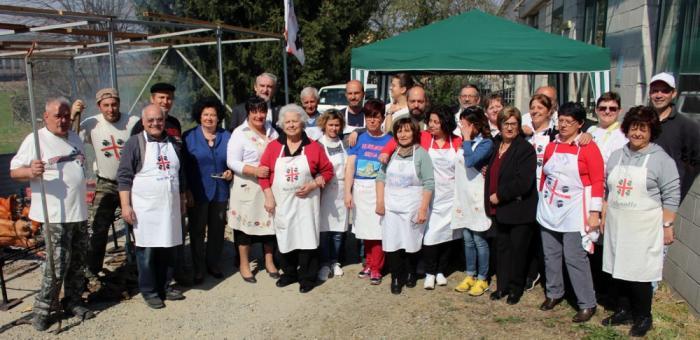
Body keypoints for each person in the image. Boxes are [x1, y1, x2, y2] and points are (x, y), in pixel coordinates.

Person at [10, 98, 94, 330]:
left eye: (66, 115)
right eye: (58, 115)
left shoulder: (74, 137)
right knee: (56, 265)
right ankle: (43, 309)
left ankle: (73, 301)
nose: (63, 120)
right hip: (54, 214)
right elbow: (14, 170)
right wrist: (30, 170)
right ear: (46, 117)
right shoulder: (35, 139)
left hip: (78, 212)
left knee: (77, 261)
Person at [601, 106, 680, 337]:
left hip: (643, 227)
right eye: (634, 128)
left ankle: (644, 316)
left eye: (643, 129)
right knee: (619, 269)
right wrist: (605, 212)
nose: (637, 133)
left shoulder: (661, 159)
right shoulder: (617, 155)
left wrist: (667, 225)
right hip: (618, 223)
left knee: (640, 274)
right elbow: (608, 188)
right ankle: (623, 310)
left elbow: (672, 193)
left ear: (651, 131)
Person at [537, 102, 604, 323]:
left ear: (580, 124)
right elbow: (546, 176)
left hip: (575, 211)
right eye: (561, 121)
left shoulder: (588, 147)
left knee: (575, 258)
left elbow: (597, 181)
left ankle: (587, 302)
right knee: (551, 255)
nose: (563, 125)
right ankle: (554, 292)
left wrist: (595, 212)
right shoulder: (551, 146)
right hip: (549, 209)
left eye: (569, 122)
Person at [118, 104, 186, 309]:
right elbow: (123, 177)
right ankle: (149, 291)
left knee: (168, 248)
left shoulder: (174, 143)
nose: (155, 123)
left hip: (170, 207)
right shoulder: (134, 144)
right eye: (151, 120)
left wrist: (182, 199)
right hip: (145, 210)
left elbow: (181, 175)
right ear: (143, 121)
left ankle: (165, 285)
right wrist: (125, 205)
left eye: (159, 119)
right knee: (147, 252)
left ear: (164, 120)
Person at [260, 104, 334, 293]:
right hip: (282, 202)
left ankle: (308, 277)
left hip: (306, 203)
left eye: (295, 121)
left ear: (302, 123)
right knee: (285, 237)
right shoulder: (273, 147)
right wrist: (268, 195)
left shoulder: (314, 147)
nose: (291, 125)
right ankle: (290, 273)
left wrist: (314, 184)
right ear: (281, 124)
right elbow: (263, 173)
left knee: (307, 238)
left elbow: (327, 170)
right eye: (287, 122)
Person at [79, 88, 139, 283]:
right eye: (106, 105)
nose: (111, 109)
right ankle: (91, 269)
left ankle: (141, 265)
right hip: (106, 183)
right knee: (97, 227)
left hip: (132, 183)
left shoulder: (133, 122)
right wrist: (74, 114)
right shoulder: (91, 124)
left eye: (114, 104)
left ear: (119, 104)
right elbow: (71, 138)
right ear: (99, 106)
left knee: (139, 225)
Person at [485, 107, 538, 306]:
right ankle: (502, 286)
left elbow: (524, 182)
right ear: (499, 125)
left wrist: (500, 194)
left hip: (518, 210)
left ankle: (515, 288)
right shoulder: (496, 145)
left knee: (518, 252)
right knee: (502, 250)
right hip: (499, 211)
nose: (509, 127)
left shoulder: (524, 149)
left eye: (513, 124)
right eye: (506, 123)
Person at [376, 117, 434, 294]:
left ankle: (410, 273)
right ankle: (395, 277)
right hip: (391, 207)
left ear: (414, 133)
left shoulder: (422, 154)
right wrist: (380, 202)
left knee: (411, 243)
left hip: (412, 207)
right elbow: (380, 178)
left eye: (407, 130)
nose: (403, 134)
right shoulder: (391, 153)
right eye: (400, 131)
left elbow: (429, 183)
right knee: (392, 244)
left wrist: (423, 208)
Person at [227, 96, 280, 283]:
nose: (259, 115)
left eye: (262, 111)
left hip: (269, 186)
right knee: (244, 227)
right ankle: (244, 263)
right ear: (248, 113)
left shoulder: (272, 131)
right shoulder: (239, 133)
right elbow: (232, 161)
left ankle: (269, 261)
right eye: (254, 111)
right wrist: (255, 170)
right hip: (247, 186)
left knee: (270, 225)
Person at [182, 98, 232, 284]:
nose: (209, 118)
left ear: (218, 117)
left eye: (213, 114)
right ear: (199, 116)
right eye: (205, 114)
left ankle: (213, 263)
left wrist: (230, 172)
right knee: (197, 230)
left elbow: (234, 160)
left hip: (220, 191)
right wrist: (187, 191)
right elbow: (183, 167)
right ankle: (198, 267)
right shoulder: (188, 137)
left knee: (218, 229)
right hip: (198, 191)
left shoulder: (227, 136)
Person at [344, 99, 392, 285]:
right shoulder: (358, 139)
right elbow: (350, 167)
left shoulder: (389, 140)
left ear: (381, 118)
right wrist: (347, 192)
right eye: (369, 117)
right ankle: (369, 263)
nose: (372, 120)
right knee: (365, 230)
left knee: (378, 231)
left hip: (379, 191)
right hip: (360, 191)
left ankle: (377, 268)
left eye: (376, 117)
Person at [452, 107, 494, 296]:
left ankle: (483, 278)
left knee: (479, 239)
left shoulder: (485, 144)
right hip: (463, 196)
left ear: (476, 125)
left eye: (466, 125)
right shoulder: (463, 143)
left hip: (477, 196)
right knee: (467, 239)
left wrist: (467, 139)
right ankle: (470, 273)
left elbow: (470, 161)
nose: (463, 128)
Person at [647, 72, 700, 200]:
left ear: (674, 93)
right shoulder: (643, 120)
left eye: (664, 91)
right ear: (650, 94)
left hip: (664, 199)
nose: (659, 95)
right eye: (655, 91)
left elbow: (695, 162)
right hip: (636, 194)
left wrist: (678, 191)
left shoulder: (687, 126)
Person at [316, 110, 349, 280]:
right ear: (324, 125)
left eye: (337, 125)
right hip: (324, 191)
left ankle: (335, 261)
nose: (334, 128)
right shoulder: (317, 144)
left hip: (342, 190)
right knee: (324, 230)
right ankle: (324, 264)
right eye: (331, 125)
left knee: (338, 230)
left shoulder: (346, 143)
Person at [587, 92, 628, 163]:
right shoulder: (591, 129)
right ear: (596, 110)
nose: (607, 111)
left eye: (612, 109)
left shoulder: (623, 134)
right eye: (602, 108)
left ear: (620, 111)